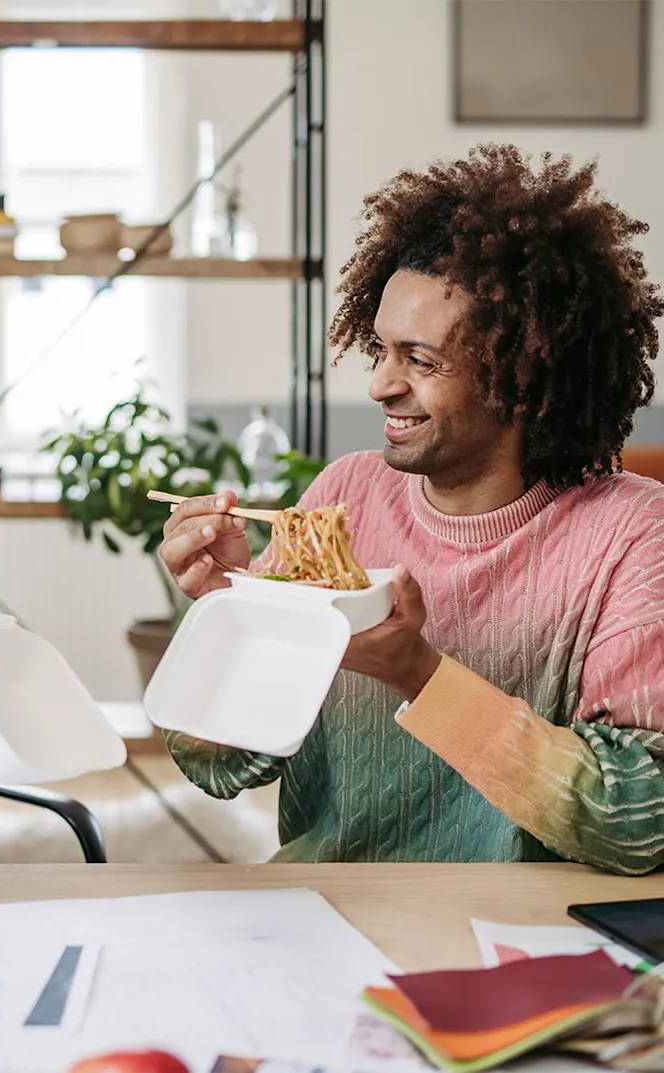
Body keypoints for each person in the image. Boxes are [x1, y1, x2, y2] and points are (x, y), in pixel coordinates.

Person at [159, 144, 664, 875]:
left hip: (521, 924)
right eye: (381, 350)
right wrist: (229, 610)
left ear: (523, 379)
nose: (380, 386)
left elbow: (639, 822)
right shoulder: (344, 496)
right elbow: (221, 765)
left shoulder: (632, 534)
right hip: (322, 907)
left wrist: (419, 674)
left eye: (420, 361)